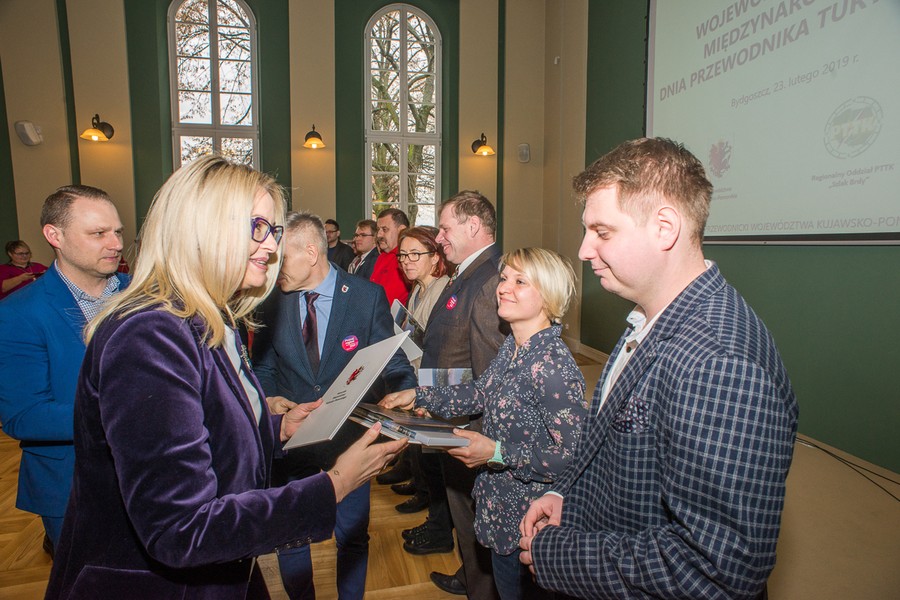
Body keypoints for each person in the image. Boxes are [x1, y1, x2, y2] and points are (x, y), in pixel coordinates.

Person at [44, 156, 407, 599]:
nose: (271, 247)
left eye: (273, 231)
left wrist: (278, 427)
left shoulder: (210, 317)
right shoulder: (150, 334)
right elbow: (181, 529)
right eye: (258, 227)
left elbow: (208, 431)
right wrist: (336, 484)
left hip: (221, 573)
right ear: (204, 228)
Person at [518, 138, 799, 600]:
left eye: (602, 232)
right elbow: (610, 446)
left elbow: (715, 571)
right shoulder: (650, 315)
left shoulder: (719, 363)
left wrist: (558, 555)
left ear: (664, 228)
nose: (584, 249)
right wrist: (566, 494)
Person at [383, 247, 587, 600]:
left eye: (520, 281)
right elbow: (480, 392)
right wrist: (419, 396)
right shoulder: (513, 347)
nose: (503, 287)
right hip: (499, 508)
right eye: (504, 278)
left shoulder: (552, 365)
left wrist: (497, 452)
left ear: (548, 295)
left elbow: (572, 456)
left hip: (530, 523)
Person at [252, 211, 417, 600]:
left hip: (348, 440)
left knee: (353, 536)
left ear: (311, 252)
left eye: (280, 258)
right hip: (292, 441)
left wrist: (408, 393)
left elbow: (391, 359)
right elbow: (263, 366)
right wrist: (270, 399)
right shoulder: (269, 301)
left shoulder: (365, 297)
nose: (272, 267)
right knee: (291, 537)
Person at [0, 186, 128, 555]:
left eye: (117, 231)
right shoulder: (19, 312)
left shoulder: (144, 294)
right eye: (98, 233)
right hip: (74, 486)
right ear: (55, 235)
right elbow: (24, 416)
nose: (116, 244)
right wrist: (121, 413)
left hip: (154, 478)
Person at [418, 191, 509, 598]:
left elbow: (490, 373)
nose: (439, 238)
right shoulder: (469, 273)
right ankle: (471, 573)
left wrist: (483, 439)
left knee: (473, 515)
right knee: (462, 514)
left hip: (469, 427)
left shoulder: (489, 280)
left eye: (445, 228)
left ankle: (481, 587)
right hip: (451, 417)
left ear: (473, 226)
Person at [389, 226, 452, 524]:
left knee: (434, 456)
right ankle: (421, 488)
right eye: (403, 255)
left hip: (433, 380)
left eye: (415, 254)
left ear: (435, 257)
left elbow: (442, 346)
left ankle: (435, 513)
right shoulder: (418, 288)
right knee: (419, 449)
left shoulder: (443, 289)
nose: (406, 261)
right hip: (416, 375)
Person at [371, 207, 411, 305]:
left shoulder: (406, 259)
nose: (379, 235)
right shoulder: (382, 257)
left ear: (401, 230)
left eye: (385, 229)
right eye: (378, 230)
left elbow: (387, 301)